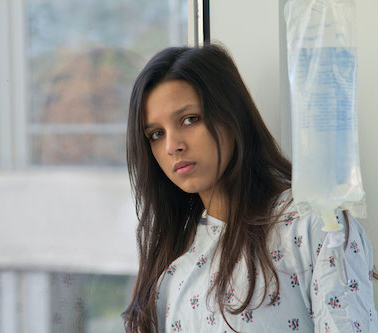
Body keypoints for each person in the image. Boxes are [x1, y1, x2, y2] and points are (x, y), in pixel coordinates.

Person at [122, 43, 377, 332]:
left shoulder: (313, 224)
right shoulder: (172, 261)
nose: (172, 146)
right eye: (156, 134)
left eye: (190, 119)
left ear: (231, 115)